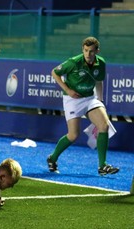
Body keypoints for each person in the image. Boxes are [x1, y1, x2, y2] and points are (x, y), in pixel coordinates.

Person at [47, 37, 119, 176]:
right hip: (73, 99)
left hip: (90, 98)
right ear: (82, 49)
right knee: (73, 135)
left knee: (104, 126)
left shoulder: (101, 63)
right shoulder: (73, 62)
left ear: (97, 51)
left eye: (91, 51)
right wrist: (67, 90)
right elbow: (54, 72)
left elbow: (99, 81)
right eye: (86, 50)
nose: (88, 54)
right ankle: (52, 158)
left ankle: (102, 166)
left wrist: (100, 100)